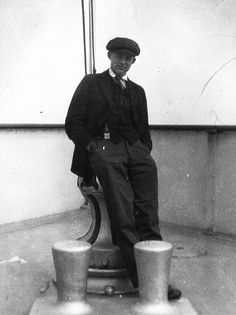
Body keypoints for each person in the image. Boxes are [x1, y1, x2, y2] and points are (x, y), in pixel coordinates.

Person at [65, 37, 181, 300]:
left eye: (128, 59)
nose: (123, 62)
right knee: (123, 212)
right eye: (118, 56)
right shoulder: (91, 83)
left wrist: (143, 149)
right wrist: (94, 148)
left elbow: (145, 129)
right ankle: (143, 281)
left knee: (149, 213)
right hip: (105, 150)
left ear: (133, 61)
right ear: (109, 56)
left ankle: (157, 279)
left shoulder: (138, 91)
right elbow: (72, 123)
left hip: (136, 151)